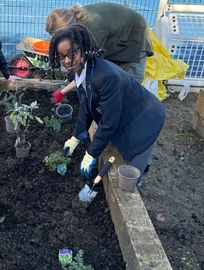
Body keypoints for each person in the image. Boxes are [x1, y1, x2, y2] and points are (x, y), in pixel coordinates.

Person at [48, 24, 165, 186]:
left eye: (72, 53)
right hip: (126, 115)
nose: (67, 61)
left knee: (129, 178)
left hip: (145, 121)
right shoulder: (81, 70)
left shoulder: (105, 76)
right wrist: (76, 136)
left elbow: (109, 121)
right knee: (120, 144)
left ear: (82, 49)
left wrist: (91, 153)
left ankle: (140, 174)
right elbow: (86, 106)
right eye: (61, 57)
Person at [46, 2, 154, 103]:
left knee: (131, 85)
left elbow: (88, 68)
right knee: (112, 81)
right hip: (114, 37)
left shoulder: (94, 29)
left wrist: (63, 92)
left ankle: (129, 115)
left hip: (134, 36)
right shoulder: (75, 22)